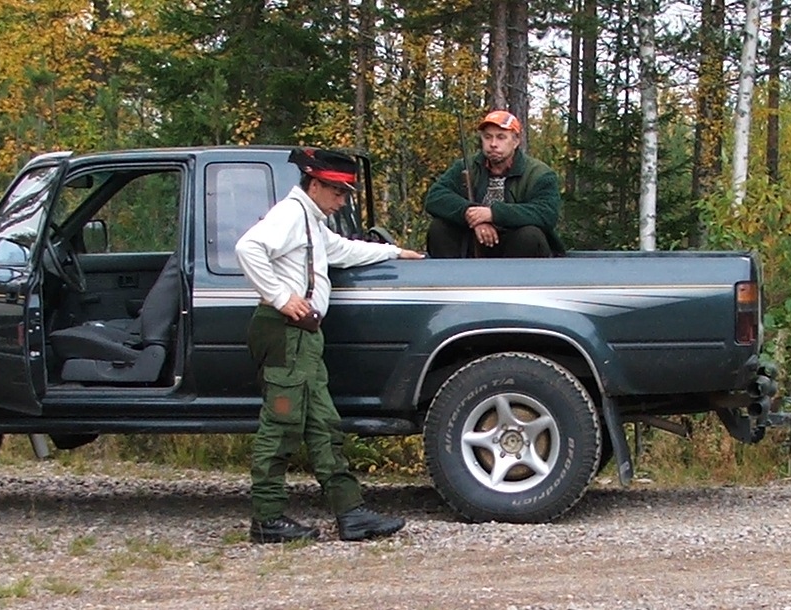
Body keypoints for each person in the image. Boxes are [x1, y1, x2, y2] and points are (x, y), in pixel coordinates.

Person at [234, 148, 423, 544]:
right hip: (285, 332)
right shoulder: (289, 214)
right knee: (281, 423)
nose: (342, 201)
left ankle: (350, 514)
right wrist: (282, 297)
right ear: (315, 184)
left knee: (323, 425)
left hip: (303, 336)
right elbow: (248, 248)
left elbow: (342, 250)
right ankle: (266, 519)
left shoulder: (311, 221)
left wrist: (393, 252)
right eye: (337, 192)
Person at [424, 109, 566, 258]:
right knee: (439, 228)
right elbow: (435, 197)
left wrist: (493, 214)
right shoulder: (466, 167)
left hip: (516, 243)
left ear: (516, 141)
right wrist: (472, 215)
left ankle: (517, 281)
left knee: (530, 236)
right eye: (487, 137)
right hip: (473, 240)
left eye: (501, 137)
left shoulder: (540, 174)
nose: (493, 144)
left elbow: (546, 214)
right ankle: (453, 280)